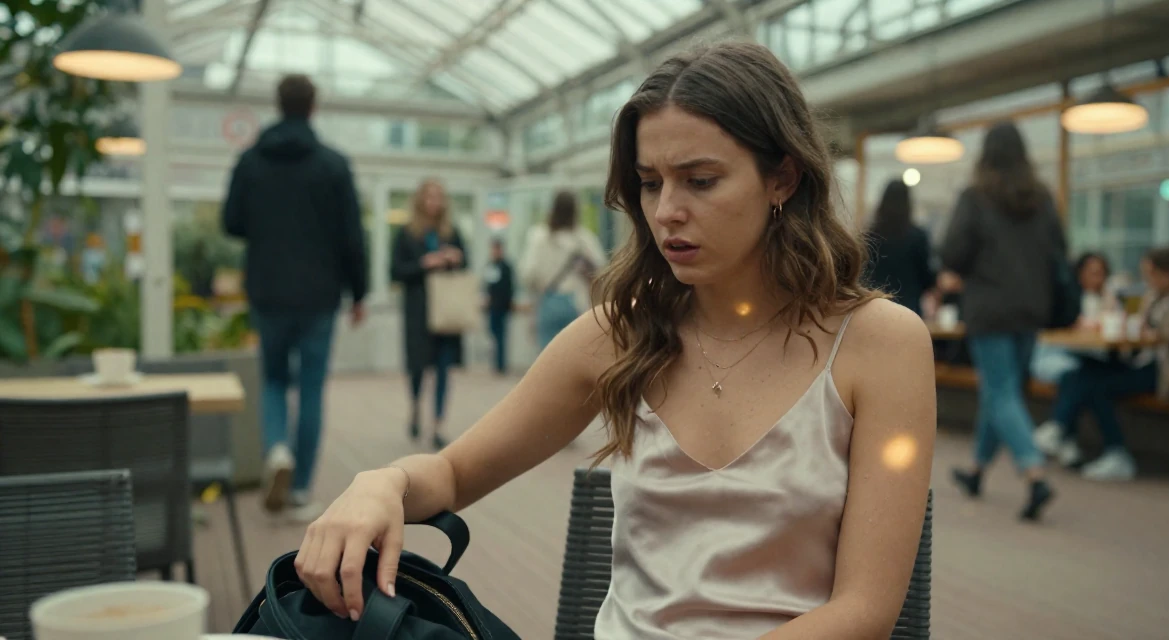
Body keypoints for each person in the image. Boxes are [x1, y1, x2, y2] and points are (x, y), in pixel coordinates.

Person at [296, 42, 935, 638]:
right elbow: (455, 471)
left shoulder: (880, 344)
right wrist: (382, 484)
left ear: (783, 179)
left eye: (701, 180)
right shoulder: (619, 334)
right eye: (651, 182)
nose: (666, 212)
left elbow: (866, 612)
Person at [222, 74, 367, 521]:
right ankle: (301, 489)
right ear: (313, 107)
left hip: (268, 290)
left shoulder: (250, 161)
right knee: (310, 386)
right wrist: (359, 291)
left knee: (272, 379)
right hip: (320, 294)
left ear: (278, 104)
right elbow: (351, 236)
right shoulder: (333, 165)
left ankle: (277, 450)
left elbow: (231, 222)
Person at [942, 121, 1060, 520]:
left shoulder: (976, 197)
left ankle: (1034, 474)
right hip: (1031, 308)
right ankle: (976, 471)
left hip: (989, 308)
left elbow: (952, 253)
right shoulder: (1042, 198)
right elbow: (1060, 250)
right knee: (1003, 392)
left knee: (1001, 391)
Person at [1036, 247, 1169, 481]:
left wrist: (1153, 333)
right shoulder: (1158, 297)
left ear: (1168, 274)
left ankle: (1111, 451)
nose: (1146, 281)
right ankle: (1061, 432)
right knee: (1079, 373)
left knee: (1098, 386)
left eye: (1150, 275)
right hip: (1144, 361)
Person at [390, 179, 467, 450]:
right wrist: (424, 263)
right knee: (417, 367)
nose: (434, 202)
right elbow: (396, 271)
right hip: (418, 312)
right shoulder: (407, 234)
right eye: (429, 197)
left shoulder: (452, 232)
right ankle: (415, 407)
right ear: (420, 200)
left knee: (445, 368)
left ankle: (437, 424)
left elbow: (466, 264)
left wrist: (455, 258)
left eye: (439, 197)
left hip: (446, 313)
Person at [1032, 251, 1112, 465]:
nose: (1098, 278)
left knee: (1080, 378)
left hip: (1088, 358)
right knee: (1076, 377)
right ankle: (1065, 439)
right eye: (1093, 272)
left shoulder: (1108, 300)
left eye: (1102, 273)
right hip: (1055, 355)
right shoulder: (1067, 298)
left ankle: (1059, 431)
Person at [519, 190, 608, 351]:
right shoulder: (583, 239)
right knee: (575, 353)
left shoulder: (539, 237)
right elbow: (601, 270)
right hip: (577, 302)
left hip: (548, 300)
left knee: (546, 356)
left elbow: (528, 273)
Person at [862, 179, 936, 316]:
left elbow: (863, 274)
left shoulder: (870, 236)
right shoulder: (918, 236)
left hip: (874, 306)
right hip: (909, 306)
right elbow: (926, 277)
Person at [484, 238, 514, 375]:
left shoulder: (506, 267)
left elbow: (509, 287)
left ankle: (500, 365)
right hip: (492, 306)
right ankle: (496, 363)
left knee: (501, 335)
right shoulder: (490, 265)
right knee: (493, 333)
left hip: (502, 306)